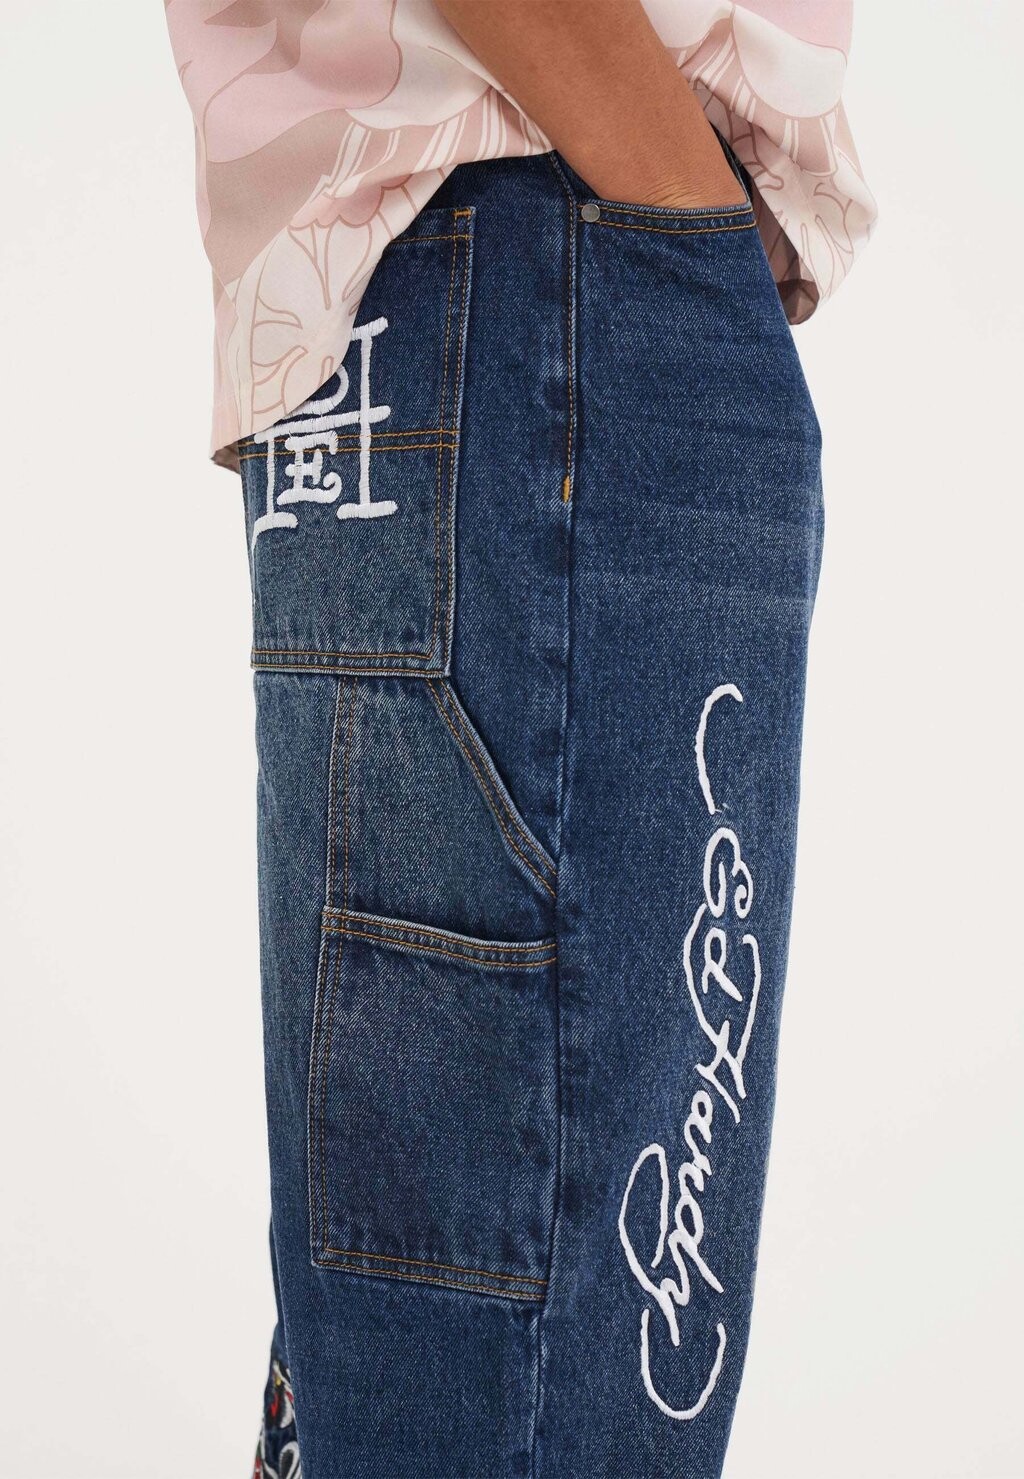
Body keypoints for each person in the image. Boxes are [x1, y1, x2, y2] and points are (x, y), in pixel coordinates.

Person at [164, 3, 875, 1475]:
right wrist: (674, 198)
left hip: (453, 287)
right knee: (523, 1383)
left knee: (419, 1360)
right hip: (567, 246)